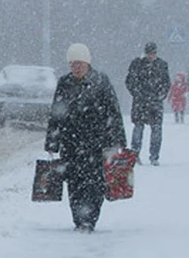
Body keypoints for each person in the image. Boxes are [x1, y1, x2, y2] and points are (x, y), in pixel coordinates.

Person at [44, 43, 127, 233]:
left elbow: (113, 112)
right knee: (74, 183)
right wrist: (52, 142)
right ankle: (78, 219)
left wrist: (118, 140)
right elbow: (56, 114)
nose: (76, 67)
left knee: (95, 183)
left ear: (87, 63)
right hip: (71, 143)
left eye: (80, 63)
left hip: (96, 143)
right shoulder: (64, 83)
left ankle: (90, 219)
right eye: (73, 64)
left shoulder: (101, 81)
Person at [125, 41, 171, 165]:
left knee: (156, 129)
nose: (151, 55)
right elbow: (129, 81)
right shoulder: (136, 64)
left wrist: (160, 96)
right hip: (140, 102)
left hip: (155, 103)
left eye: (153, 53)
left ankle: (154, 156)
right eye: (149, 53)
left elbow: (166, 83)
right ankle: (135, 155)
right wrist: (138, 94)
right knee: (138, 128)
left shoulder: (162, 65)